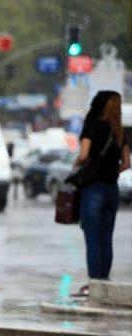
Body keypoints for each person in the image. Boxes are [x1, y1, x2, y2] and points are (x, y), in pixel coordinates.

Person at [72, 91, 130, 296]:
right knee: (106, 238)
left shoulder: (91, 126)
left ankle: (94, 284)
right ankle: (104, 280)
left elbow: (84, 154)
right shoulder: (119, 132)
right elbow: (126, 163)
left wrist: (76, 165)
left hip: (93, 188)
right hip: (111, 190)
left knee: (92, 238)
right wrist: (111, 171)